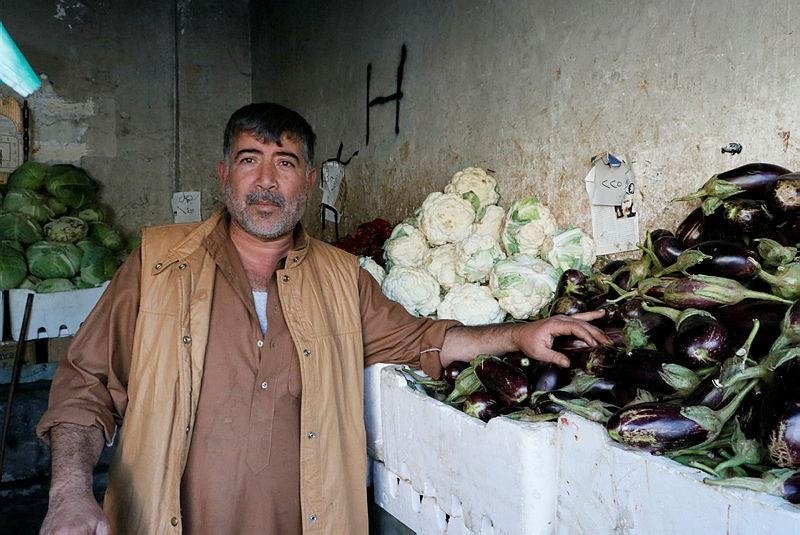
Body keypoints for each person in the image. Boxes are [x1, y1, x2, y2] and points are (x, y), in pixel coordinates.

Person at [37, 103, 609, 535]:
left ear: (308, 182)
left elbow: (424, 339)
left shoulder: (343, 278)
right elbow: (85, 384)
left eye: (285, 163)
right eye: (249, 160)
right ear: (224, 174)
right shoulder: (158, 263)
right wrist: (68, 493)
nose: (266, 181)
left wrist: (519, 334)